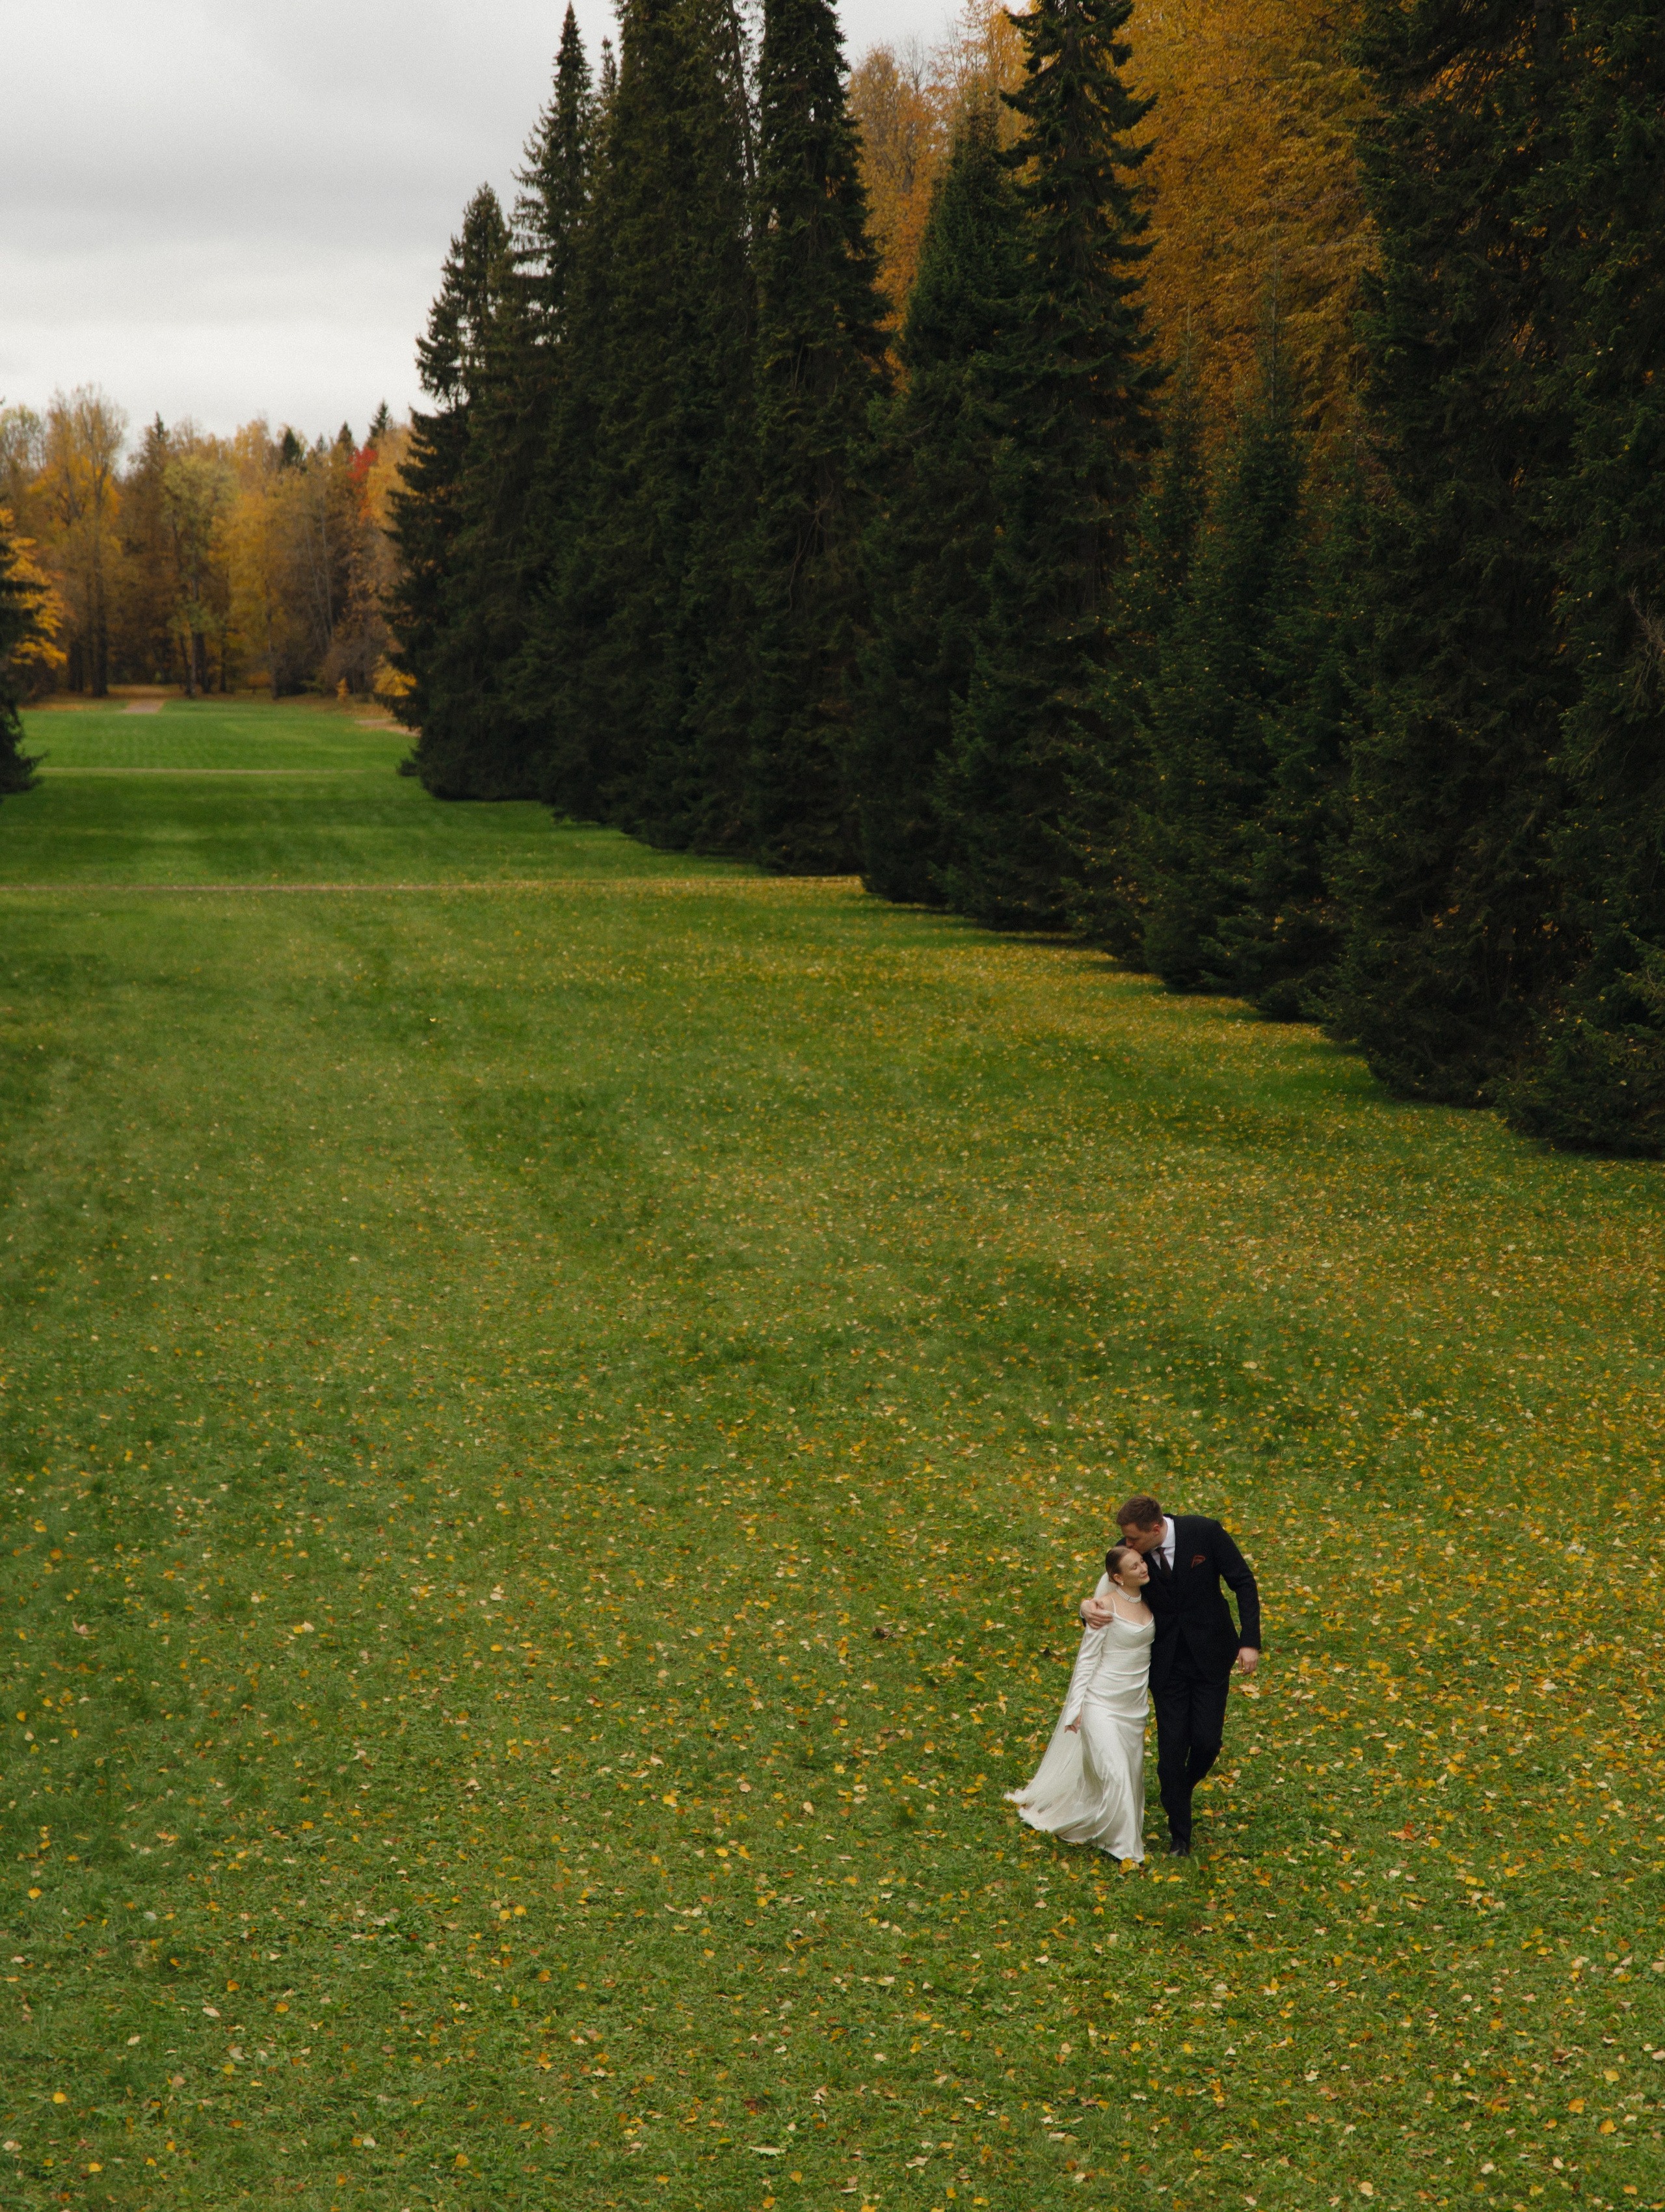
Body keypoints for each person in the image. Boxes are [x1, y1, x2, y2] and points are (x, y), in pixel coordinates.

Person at [1081, 1493, 1259, 1858]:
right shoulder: (1130, 1554)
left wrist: (1250, 1641)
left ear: (1157, 1528)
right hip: (1167, 1665)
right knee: (1172, 1750)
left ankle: (1177, 1788)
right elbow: (1106, 1595)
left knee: (1207, 1743)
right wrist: (1085, 1609)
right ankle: (1181, 1837)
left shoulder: (1205, 1533)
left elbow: (1242, 1581)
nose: (1127, 1545)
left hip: (1211, 1655)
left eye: (1134, 1539)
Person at [1006, 1541, 1154, 1863]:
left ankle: (1107, 1826)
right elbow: (1087, 1661)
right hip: (1102, 1702)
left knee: (1129, 1777)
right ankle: (1127, 1850)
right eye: (1134, 1566)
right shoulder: (1104, 1608)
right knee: (1114, 1773)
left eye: (1142, 1562)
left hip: (1134, 1706)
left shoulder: (1151, 1602)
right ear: (1116, 1577)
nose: (1143, 1568)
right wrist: (1076, 1709)